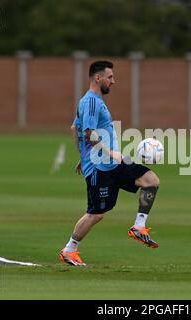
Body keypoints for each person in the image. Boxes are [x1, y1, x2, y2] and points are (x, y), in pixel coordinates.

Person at [59, 60, 160, 266]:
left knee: (150, 180)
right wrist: (104, 153)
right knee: (96, 214)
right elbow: (87, 132)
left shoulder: (91, 101)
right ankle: (69, 250)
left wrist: (83, 155)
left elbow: (74, 128)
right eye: (110, 77)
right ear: (98, 78)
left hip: (110, 162)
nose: (114, 81)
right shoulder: (92, 102)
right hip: (100, 166)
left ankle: (138, 227)